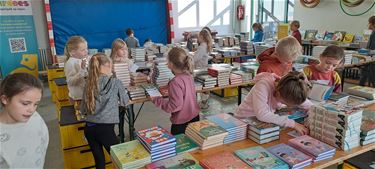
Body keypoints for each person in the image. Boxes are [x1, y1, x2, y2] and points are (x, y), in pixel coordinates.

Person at [80, 53, 129, 169]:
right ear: (107, 66)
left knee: (99, 161)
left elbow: (83, 109)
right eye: (111, 66)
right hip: (106, 129)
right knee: (121, 159)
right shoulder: (115, 82)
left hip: (89, 128)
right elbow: (124, 102)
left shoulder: (89, 83)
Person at [234, 71, 313, 135]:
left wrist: (311, 118)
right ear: (278, 93)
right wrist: (294, 124)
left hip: (260, 125)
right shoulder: (263, 85)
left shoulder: (290, 88)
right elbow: (262, 114)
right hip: (242, 123)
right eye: (285, 103)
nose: (286, 105)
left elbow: (310, 106)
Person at [0, 73, 49, 168]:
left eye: (36, 104)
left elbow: (43, 142)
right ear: (5, 99)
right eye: (25, 103)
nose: (32, 110)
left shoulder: (35, 117)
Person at [151, 47, 200, 135]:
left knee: (180, 147)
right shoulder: (188, 76)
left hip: (181, 123)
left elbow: (174, 106)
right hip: (195, 117)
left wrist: (157, 100)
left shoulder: (175, 82)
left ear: (171, 64)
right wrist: (168, 86)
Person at [64, 36, 88, 102]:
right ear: (73, 52)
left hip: (83, 95)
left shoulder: (80, 60)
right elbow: (70, 81)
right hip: (77, 98)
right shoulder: (70, 63)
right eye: (83, 50)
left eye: (86, 49)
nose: (86, 51)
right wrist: (82, 70)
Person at [193, 29, 213, 109]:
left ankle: (204, 103)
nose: (198, 39)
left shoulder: (202, 46)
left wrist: (189, 56)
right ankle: (204, 102)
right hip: (203, 67)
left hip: (200, 69)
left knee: (202, 86)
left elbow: (195, 58)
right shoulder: (205, 45)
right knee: (205, 86)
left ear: (201, 37)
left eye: (198, 37)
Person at [359, 15, 375, 87]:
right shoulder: (372, 33)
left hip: (372, 61)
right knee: (363, 76)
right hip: (369, 59)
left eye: (369, 23)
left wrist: (368, 52)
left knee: (372, 79)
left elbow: (371, 49)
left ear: (373, 24)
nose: (368, 24)